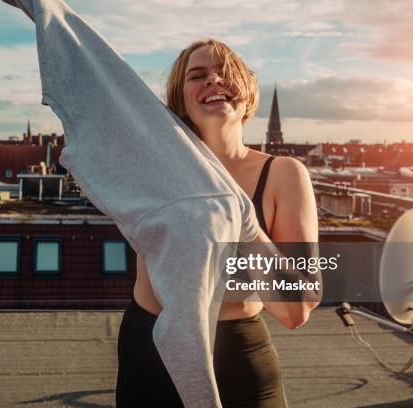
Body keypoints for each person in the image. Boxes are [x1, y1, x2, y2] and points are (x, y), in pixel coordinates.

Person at [117, 40, 320, 407]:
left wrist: (244, 224)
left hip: (239, 356)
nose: (214, 80)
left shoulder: (285, 175)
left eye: (226, 73)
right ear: (180, 99)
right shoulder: (153, 168)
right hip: (150, 351)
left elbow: (296, 308)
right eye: (198, 76)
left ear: (248, 91)